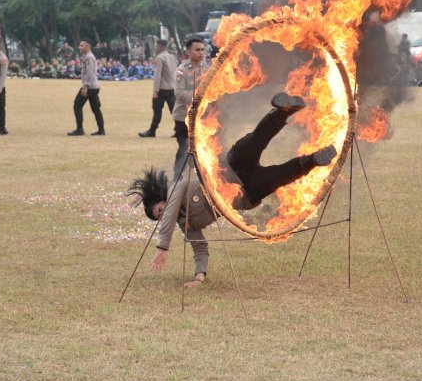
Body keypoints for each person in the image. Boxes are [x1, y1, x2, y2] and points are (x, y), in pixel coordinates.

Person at [127, 92, 337, 287]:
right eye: (159, 216)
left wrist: (162, 247)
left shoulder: (177, 187)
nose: (163, 214)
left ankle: (283, 111)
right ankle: (315, 159)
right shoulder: (188, 225)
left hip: (232, 166)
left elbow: (171, 212)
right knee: (280, 176)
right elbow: (200, 248)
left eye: (159, 210)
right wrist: (199, 279)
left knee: (255, 141)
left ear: (161, 199)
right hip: (246, 192)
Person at [171, 37, 208, 178]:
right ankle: (177, 177)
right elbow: (179, 94)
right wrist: (199, 97)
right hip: (183, 117)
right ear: (188, 52)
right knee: (184, 148)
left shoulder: (207, 69)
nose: (201, 53)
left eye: (202, 49)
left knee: (202, 148)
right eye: (197, 50)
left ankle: (200, 177)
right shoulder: (182, 71)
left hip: (202, 116)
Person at [139, 39, 177, 138]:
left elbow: (157, 76)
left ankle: (152, 131)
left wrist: (155, 91)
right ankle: (180, 130)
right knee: (175, 111)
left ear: (160, 46)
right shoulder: (172, 57)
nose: (156, 48)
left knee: (157, 111)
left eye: (157, 46)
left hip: (162, 89)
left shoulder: (160, 58)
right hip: (172, 88)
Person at [68, 39, 104, 136]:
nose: (80, 47)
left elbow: (90, 73)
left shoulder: (89, 57)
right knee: (96, 108)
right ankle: (101, 130)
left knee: (77, 105)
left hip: (90, 86)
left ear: (88, 46)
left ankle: (79, 129)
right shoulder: (87, 57)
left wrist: (85, 86)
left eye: (82, 45)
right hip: (94, 86)